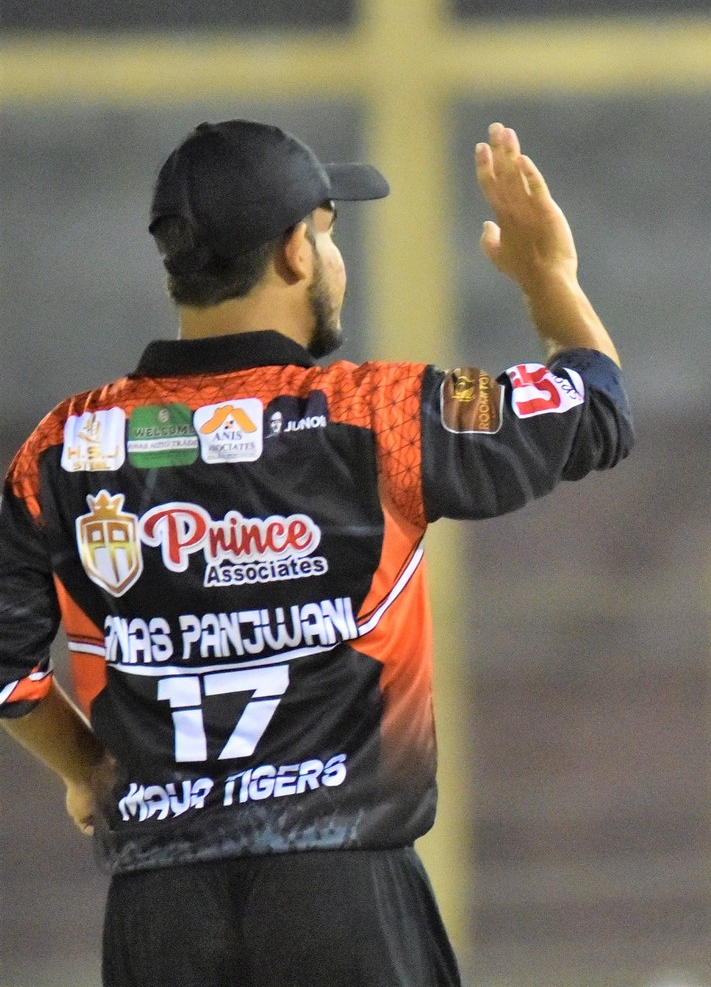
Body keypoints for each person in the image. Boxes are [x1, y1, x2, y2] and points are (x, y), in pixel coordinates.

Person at [0, 119, 632, 986]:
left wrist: (87, 769)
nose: (334, 259)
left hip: (159, 914)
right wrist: (548, 278)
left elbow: (5, 667)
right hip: (345, 900)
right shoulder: (384, 414)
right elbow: (592, 407)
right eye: (329, 236)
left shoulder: (67, 446)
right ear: (295, 251)